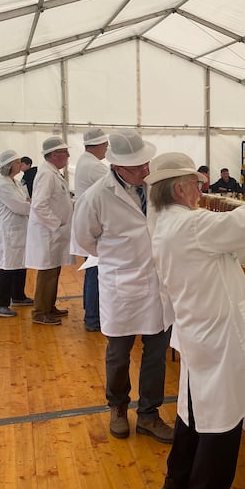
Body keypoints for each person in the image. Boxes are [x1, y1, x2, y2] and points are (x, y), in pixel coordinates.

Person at [147, 152, 245, 489]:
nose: (201, 192)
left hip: (197, 328)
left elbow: (230, 243)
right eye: (196, 186)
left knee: (192, 411)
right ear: (180, 189)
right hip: (217, 335)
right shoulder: (189, 225)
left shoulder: (170, 224)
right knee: (222, 419)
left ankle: (177, 480)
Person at [72, 130, 173, 444]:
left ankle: (149, 414)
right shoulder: (97, 196)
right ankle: (117, 407)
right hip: (121, 283)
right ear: (116, 166)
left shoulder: (156, 188)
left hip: (157, 283)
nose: (144, 171)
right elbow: (84, 240)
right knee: (118, 353)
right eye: (135, 167)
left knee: (156, 352)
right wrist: (121, 258)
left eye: (146, 164)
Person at [25, 137, 74, 326]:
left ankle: (49, 306)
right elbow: (39, 205)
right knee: (47, 273)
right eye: (65, 152)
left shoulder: (52, 172)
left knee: (54, 271)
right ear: (54, 154)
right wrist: (57, 224)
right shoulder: (46, 174)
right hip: (48, 233)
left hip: (54, 234)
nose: (68, 156)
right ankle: (40, 312)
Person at [72, 128, 109, 333]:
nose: (106, 148)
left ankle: (91, 313)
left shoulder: (86, 162)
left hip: (89, 222)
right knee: (95, 271)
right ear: (97, 145)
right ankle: (93, 317)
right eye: (105, 145)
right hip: (95, 225)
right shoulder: (95, 167)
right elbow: (116, 188)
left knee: (92, 270)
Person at [0, 149, 33, 317]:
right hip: (8, 229)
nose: (20, 164)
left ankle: (18, 295)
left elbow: (26, 199)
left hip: (19, 228)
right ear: (9, 165)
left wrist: (31, 204)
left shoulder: (14, 181)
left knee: (20, 263)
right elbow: (19, 206)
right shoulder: (2, 184)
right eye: (17, 162)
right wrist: (38, 208)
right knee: (8, 266)